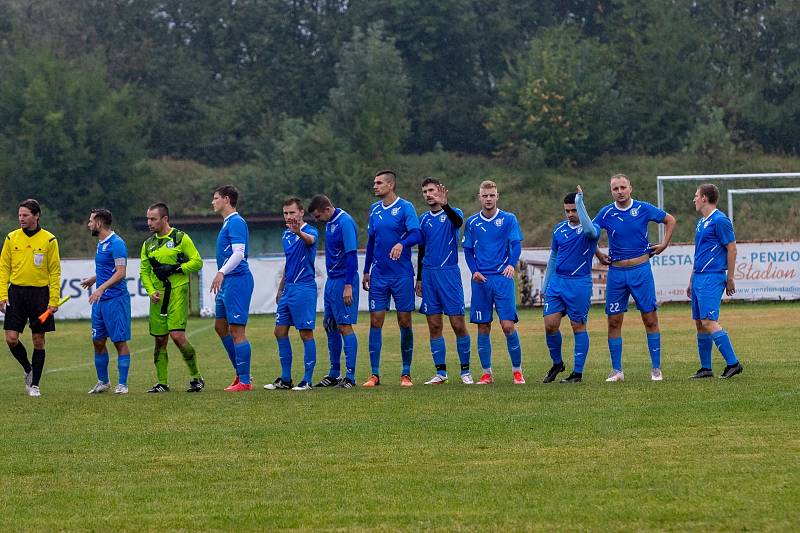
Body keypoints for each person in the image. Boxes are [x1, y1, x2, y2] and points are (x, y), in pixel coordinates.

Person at [593, 174, 676, 382]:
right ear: (611, 191)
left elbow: (670, 220)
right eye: (615, 189)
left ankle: (656, 369)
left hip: (641, 271)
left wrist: (664, 244)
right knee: (613, 321)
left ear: (630, 188)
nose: (619, 192)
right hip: (616, 274)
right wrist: (597, 253)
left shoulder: (643, 208)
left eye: (623, 187)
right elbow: (589, 232)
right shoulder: (606, 212)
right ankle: (617, 371)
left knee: (649, 318)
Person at [462, 180, 525, 385]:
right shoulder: (472, 222)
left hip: (502, 278)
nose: (488, 199)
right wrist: (474, 271)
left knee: (507, 326)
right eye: (485, 195)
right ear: (479, 197)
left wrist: (511, 264)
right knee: (483, 326)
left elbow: (515, 244)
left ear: (497, 196)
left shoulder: (508, 219)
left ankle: (517, 371)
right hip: (481, 280)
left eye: (492, 195)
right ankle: (487, 373)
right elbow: (469, 251)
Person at [362, 170, 421, 387]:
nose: (375, 186)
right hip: (379, 275)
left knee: (404, 320)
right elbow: (370, 242)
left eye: (379, 183)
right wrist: (366, 270)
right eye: (374, 182)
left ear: (390, 185)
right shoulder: (374, 209)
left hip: (402, 275)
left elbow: (417, 234)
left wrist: (401, 243)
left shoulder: (406, 207)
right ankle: (374, 374)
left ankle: (406, 373)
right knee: (375, 320)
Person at [140, 203, 205, 393]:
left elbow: (197, 262)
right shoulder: (148, 244)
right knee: (160, 340)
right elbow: (144, 271)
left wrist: (176, 268)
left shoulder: (180, 238)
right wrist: (151, 291)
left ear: (165, 219)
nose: (149, 223)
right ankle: (162, 383)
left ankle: (196, 377)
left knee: (177, 336)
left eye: (153, 219)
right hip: (158, 297)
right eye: (148, 219)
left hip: (177, 291)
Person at [0, 199, 61, 397]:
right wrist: (2, 295)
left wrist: (54, 300)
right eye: (19, 215)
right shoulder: (11, 238)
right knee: (10, 339)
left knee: (38, 340)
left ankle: (35, 385)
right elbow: (4, 268)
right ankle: (28, 368)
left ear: (36, 216)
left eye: (25, 215)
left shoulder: (50, 240)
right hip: (16, 294)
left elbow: (54, 271)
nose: (21, 219)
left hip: (40, 295)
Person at [415, 178, 472, 385]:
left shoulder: (453, 213)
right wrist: (419, 277)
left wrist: (445, 204)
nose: (428, 194)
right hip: (429, 275)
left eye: (431, 190)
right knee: (434, 324)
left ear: (439, 191)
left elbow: (458, 223)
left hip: (448, 274)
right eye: (425, 191)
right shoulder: (422, 219)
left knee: (457, 324)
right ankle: (441, 373)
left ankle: (465, 371)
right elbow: (421, 249)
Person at [541, 187, 600, 384]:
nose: (570, 214)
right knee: (550, 325)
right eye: (567, 210)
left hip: (579, 284)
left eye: (574, 210)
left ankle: (577, 373)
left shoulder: (591, 229)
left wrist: (580, 202)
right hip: (557, 282)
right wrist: (545, 284)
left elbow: (590, 231)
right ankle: (557, 363)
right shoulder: (558, 229)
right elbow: (554, 256)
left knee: (578, 326)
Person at [687, 184, 743, 379]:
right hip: (699, 277)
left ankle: (733, 363)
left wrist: (730, 278)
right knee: (700, 323)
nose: (693, 199)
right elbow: (699, 253)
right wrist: (691, 280)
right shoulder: (702, 222)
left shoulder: (720, 221)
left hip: (713, 275)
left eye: (696, 196)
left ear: (704, 198)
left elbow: (732, 249)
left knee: (709, 321)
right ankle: (706, 368)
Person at [264, 198, 319, 392]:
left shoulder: (310, 231)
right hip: (289, 289)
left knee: (305, 333)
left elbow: (311, 241)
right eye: (286, 213)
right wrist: (281, 288)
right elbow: (289, 263)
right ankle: (286, 379)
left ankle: (307, 380)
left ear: (301, 213)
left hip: (304, 288)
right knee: (279, 331)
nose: (289, 216)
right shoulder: (286, 234)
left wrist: (299, 232)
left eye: (292, 213)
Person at [308, 194, 359, 389]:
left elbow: (351, 255)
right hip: (332, 280)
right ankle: (334, 373)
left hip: (344, 281)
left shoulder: (345, 222)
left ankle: (351, 377)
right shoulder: (330, 223)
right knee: (330, 325)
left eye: (318, 216)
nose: (317, 220)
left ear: (327, 210)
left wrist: (348, 285)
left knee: (345, 325)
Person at [81, 208, 132, 395]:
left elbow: (121, 272)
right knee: (98, 341)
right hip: (100, 302)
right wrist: (94, 280)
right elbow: (107, 269)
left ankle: (123, 384)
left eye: (91, 221)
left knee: (119, 341)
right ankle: (103, 381)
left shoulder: (117, 243)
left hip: (115, 300)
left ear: (99, 223)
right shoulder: (101, 243)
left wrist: (101, 288)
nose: (88, 224)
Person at [210, 185, 255, 392]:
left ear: (226, 199)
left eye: (216, 198)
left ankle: (245, 381)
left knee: (237, 330)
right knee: (220, 327)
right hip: (228, 281)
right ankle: (241, 371)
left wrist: (221, 272)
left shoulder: (236, 222)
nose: (213, 202)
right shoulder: (228, 223)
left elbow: (239, 253)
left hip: (237, 280)